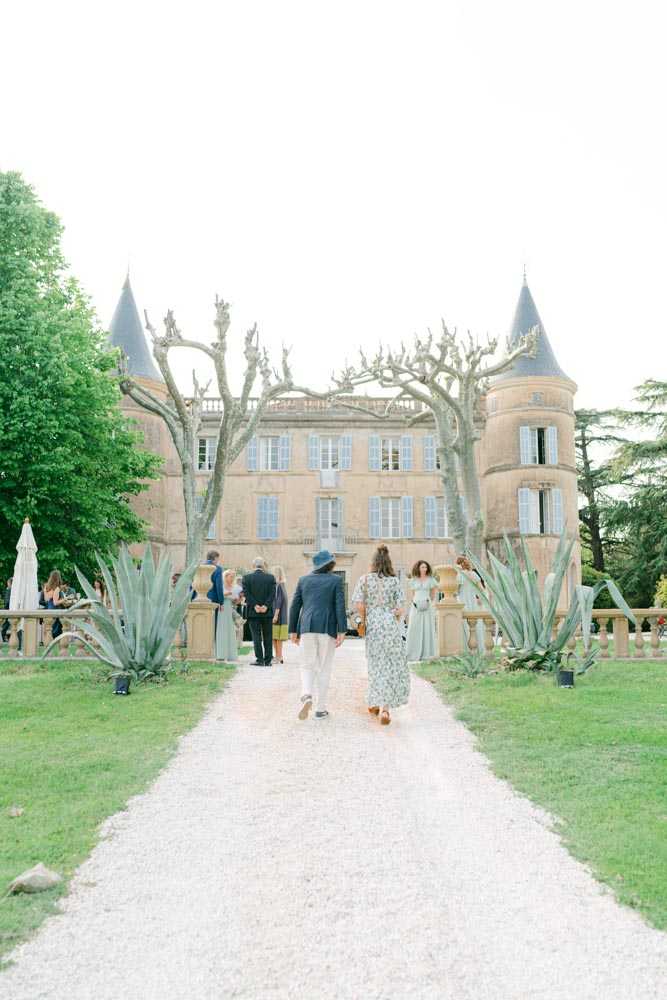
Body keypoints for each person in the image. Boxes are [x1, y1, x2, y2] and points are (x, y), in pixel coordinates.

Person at [352, 544, 409, 726]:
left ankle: (375, 702)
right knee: (391, 666)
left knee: (376, 665)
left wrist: (365, 618)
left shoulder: (365, 580)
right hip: (390, 626)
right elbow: (401, 609)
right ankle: (385, 709)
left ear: (374, 562)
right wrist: (392, 615)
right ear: (388, 562)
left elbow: (359, 604)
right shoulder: (394, 581)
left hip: (374, 627)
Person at [289, 549, 346, 720]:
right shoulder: (336, 580)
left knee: (307, 665)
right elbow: (339, 605)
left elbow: (295, 606)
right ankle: (321, 709)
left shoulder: (303, 580)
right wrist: (342, 630)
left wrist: (292, 630)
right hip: (327, 628)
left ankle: (306, 694)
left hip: (306, 627)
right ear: (330, 564)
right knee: (324, 667)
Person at [242, 558, 276, 666]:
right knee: (268, 636)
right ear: (263, 565)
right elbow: (272, 594)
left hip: (253, 612)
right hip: (267, 612)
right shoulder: (270, 578)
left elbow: (247, 594)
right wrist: (266, 606)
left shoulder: (247, 578)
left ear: (253, 566)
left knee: (256, 636)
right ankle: (268, 660)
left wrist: (255, 605)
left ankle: (260, 660)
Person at [405, 559, 439, 662]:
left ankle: (427, 653)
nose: (424, 569)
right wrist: (415, 603)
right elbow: (412, 594)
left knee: (427, 627)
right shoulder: (413, 580)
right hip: (415, 606)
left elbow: (433, 594)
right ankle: (412, 652)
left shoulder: (431, 580)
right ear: (418, 568)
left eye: (425, 567)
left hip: (427, 605)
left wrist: (428, 603)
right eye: (422, 567)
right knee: (414, 627)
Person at [456, 555, 487, 652]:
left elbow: (456, 590)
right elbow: (482, 589)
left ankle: (466, 648)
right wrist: (479, 598)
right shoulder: (473, 574)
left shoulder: (460, 575)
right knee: (475, 623)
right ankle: (477, 647)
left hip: (462, 600)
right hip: (472, 600)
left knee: (464, 623)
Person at [215, 569, 239, 662]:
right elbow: (219, 595)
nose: (232, 578)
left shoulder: (233, 586)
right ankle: (221, 654)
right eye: (231, 576)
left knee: (230, 630)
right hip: (222, 608)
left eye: (233, 577)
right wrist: (228, 593)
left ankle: (230, 654)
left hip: (229, 608)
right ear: (226, 576)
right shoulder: (221, 585)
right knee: (222, 629)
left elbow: (234, 600)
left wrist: (236, 599)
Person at [272, 565, 289, 664]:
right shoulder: (282, 585)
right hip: (281, 616)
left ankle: (278, 656)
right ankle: (279, 656)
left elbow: (279, 601)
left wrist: (275, 615)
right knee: (277, 638)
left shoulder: (279, 586)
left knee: (276, 638)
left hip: (277, 615)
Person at [43, 570, 65, 639]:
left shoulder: (46, 587)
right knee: (56, 630)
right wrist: (64, 599)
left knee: (50, 628)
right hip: (56, 610)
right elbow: (55, 602)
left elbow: (46, 599)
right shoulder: (57, 588)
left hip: (49, 609)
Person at [1, 577, 12, 643]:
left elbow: (7, 601)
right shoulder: (9, 590)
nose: (7, 584)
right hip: (8, 609)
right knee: (6, 624)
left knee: (6, 624)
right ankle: (3, 637)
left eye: (8, 583)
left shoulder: (9, 590)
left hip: (8, 609)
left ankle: (3, 637)